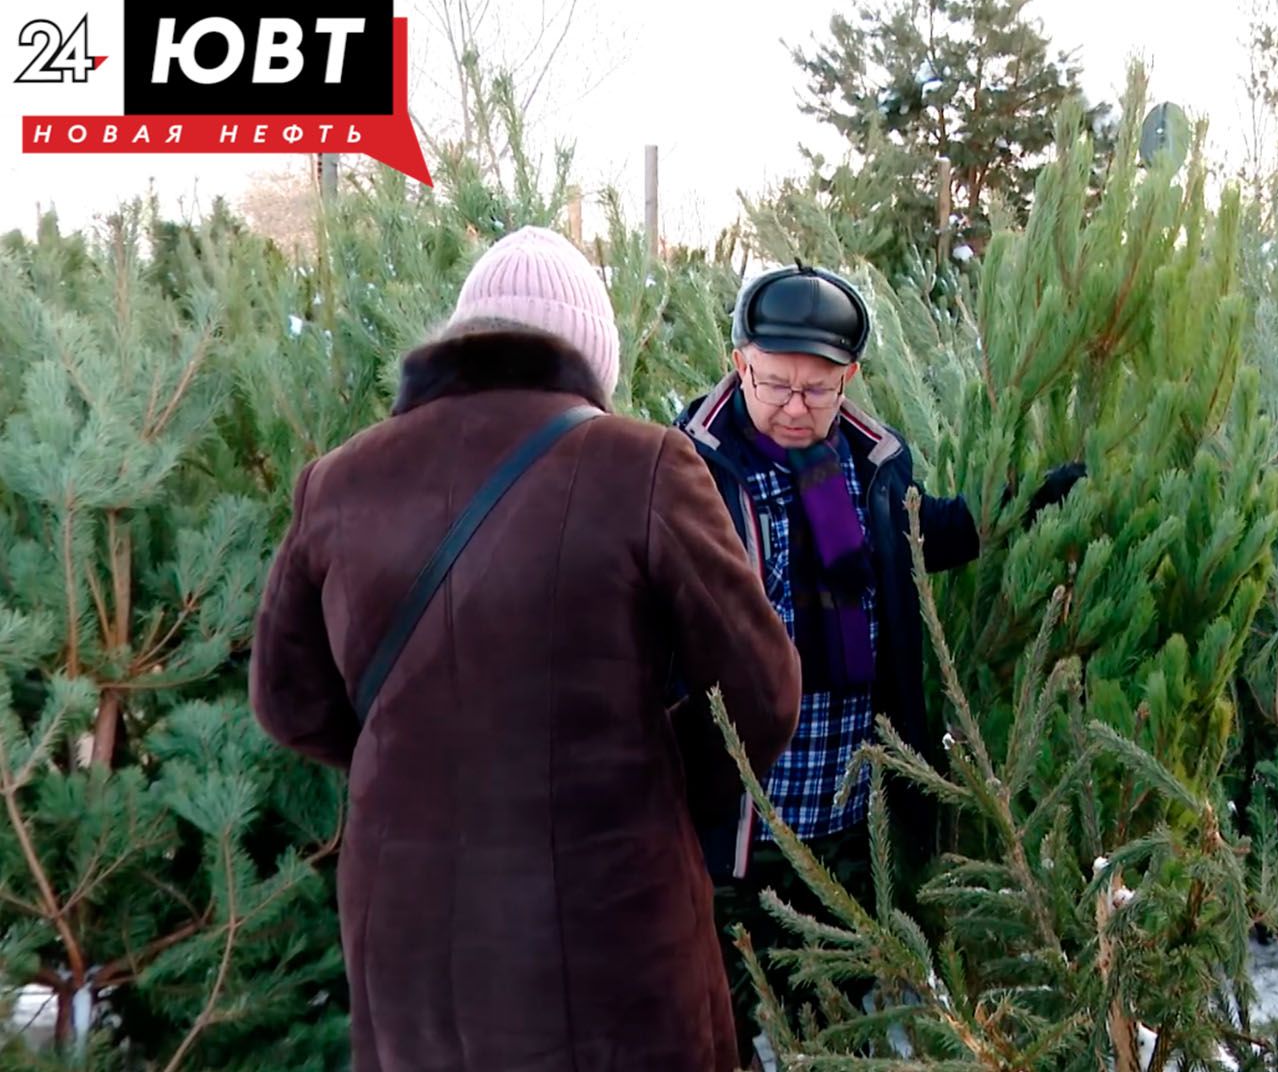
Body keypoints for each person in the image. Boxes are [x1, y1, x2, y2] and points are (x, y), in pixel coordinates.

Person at [250, 226, 801, 1072]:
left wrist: (419, 763)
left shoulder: (341, 480)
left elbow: (286, 701)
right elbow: (762, 690)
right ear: (591, 358)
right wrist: (644, 781)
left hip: (409, 927)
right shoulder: (644, 465)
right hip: (608, 925)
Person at [673, 263, 1079, 1065]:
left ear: (848, 377)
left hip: (847, 796)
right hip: (744, 805)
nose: (795, 407)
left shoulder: (870, 464)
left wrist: (1021, 503)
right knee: (726, 1010)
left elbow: (920, 538)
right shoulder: (694, 468)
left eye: (817, 390)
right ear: (739, 362)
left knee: (832, 1010)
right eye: (775, 383)